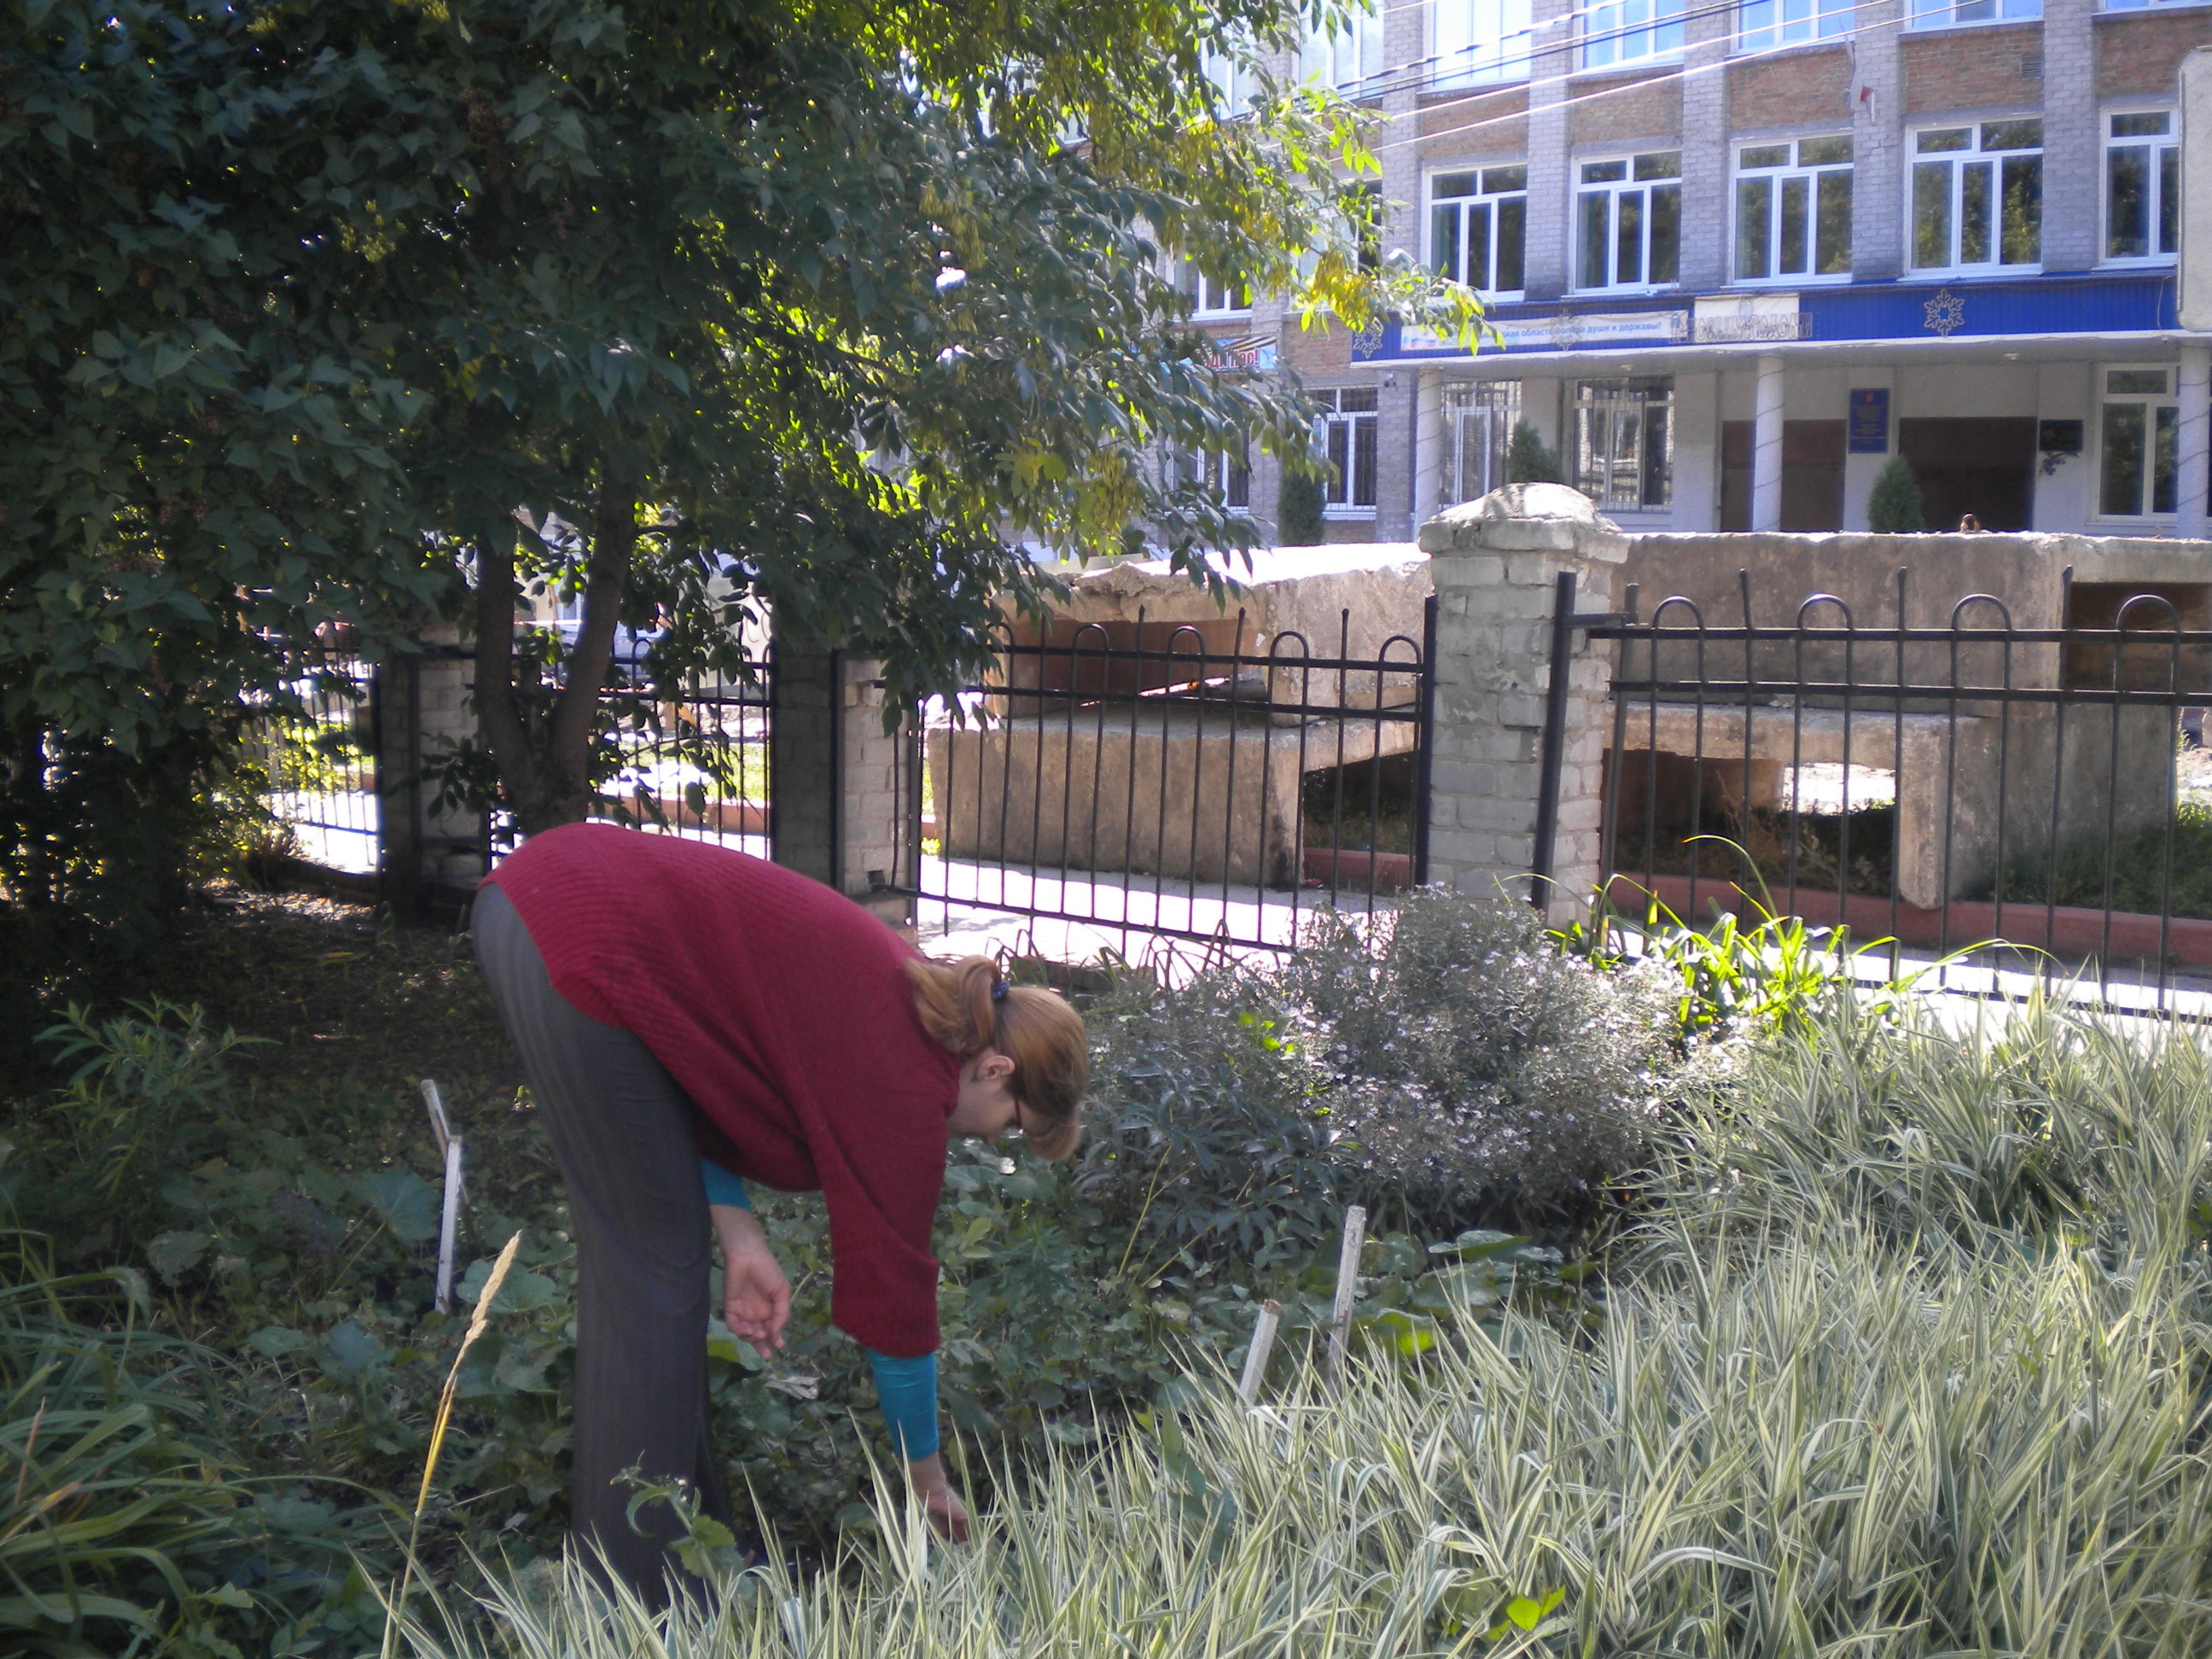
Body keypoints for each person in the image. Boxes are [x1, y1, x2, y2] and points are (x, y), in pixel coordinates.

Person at [469, 822, 1087, 1602]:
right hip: (574, 929)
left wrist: (740, 1230)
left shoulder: (905, 1005)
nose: (984, 1141)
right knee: (652, 1273)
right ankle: (640, 1601)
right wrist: (928, 1479)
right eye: (1008, 1127)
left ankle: (689, 1559)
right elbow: (897, 1305)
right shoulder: (908, 1079)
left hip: (542, 898)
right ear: (996, 1070)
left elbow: (693, 1066)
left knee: (655, 1265)